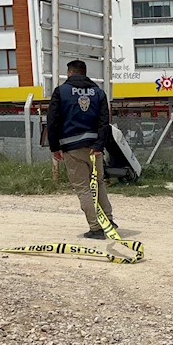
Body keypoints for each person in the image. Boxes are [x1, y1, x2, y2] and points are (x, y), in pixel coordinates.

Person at [48, 60, 116, 240]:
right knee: (99, 183)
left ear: (69, 73)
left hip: (72, 147)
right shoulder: (99, 92)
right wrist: (99, 146)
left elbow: (53, 120)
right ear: (84, 73)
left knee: (84, 188)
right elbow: (104, 121)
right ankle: (108, 220)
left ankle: (95, 228)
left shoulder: (61, 92)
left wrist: (54, 147)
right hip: (95, 147)